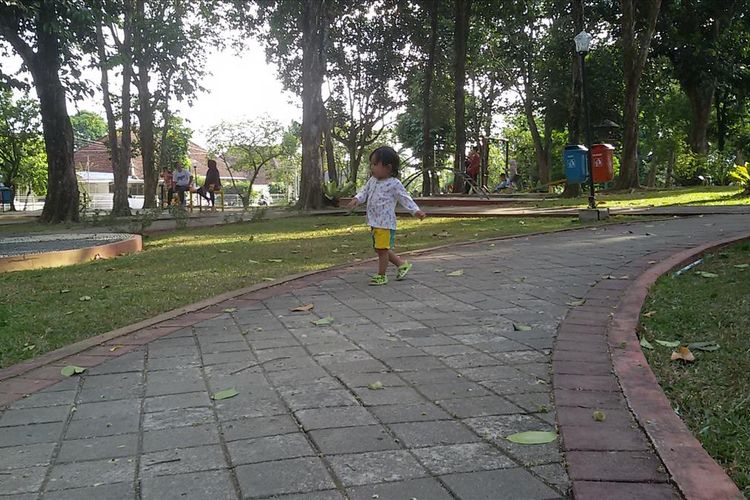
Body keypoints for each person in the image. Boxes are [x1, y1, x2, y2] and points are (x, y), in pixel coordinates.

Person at [347, 146, 426, 286]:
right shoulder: (372, 181)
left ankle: (382, 275)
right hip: (374, 221)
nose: (372, 167)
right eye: (371, 164)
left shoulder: (394, 184)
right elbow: (364, 192)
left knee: (382, 250)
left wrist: (415, 211)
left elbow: (405, 198)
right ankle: (401, 264)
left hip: (385, 223)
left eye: (376, 164)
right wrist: (357, 199)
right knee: (380, 248)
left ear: (388, 167)